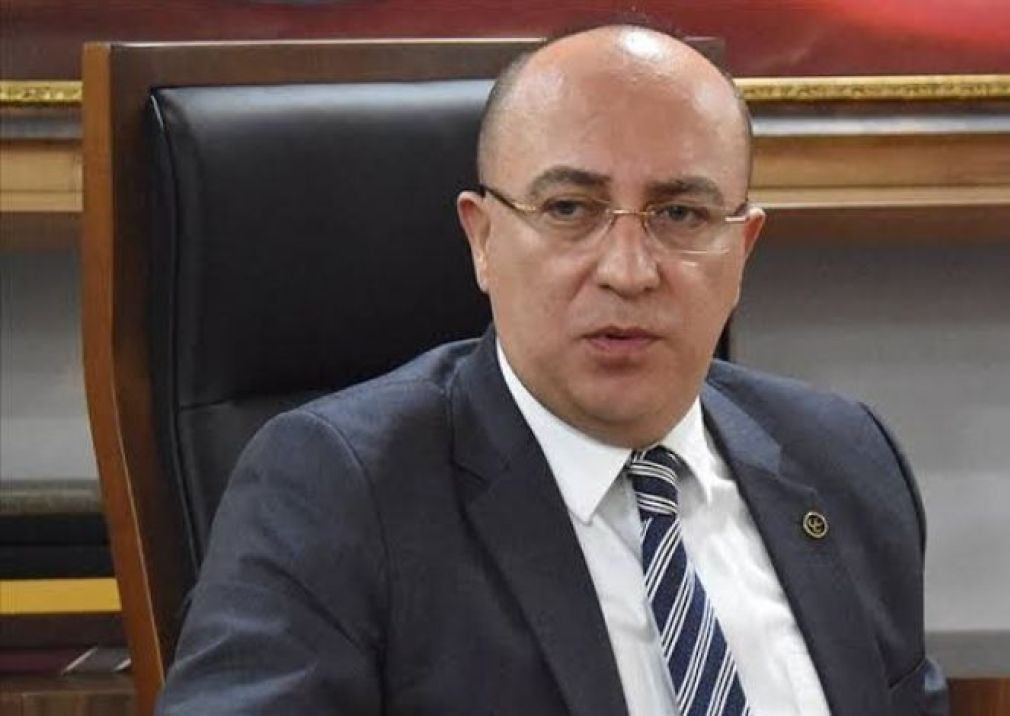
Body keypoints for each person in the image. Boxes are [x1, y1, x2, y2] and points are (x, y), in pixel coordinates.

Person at [157, 24, 947, 716]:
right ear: (483, 239)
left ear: (740, 251)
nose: (628, 271)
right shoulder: (338, 492)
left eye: (681, 214)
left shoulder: (845, 460)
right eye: (570, 209)